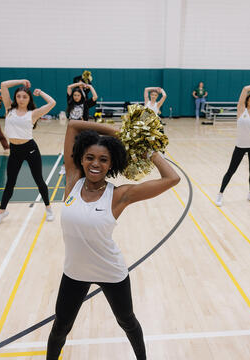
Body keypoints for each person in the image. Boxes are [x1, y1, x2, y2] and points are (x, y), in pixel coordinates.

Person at [46, 120, 180, 359]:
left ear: (111, 164)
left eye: (103, 159)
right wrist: (117, 132)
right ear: (81, 159)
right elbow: (73, 126)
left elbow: (172, 178)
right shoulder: (72, 181)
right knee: (60, 328)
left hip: (110, 271)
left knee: (127, 322)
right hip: (74, 272)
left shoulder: (119, 195)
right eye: (90, 157)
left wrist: (147, 150)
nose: (95, 164)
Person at [0, 79, 56, 225]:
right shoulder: (9, 109)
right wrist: (21, 81)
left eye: (24, 97)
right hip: (15, 150)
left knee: (39, 180)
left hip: (30, 149)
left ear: (29, 99)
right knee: (10, 183)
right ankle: (1, 212)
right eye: (19, 96)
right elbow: (4, 85)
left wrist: (41, 93)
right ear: (15, 97)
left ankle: (49, 209)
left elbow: (52, 103)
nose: (21, 99)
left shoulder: (33, 114)